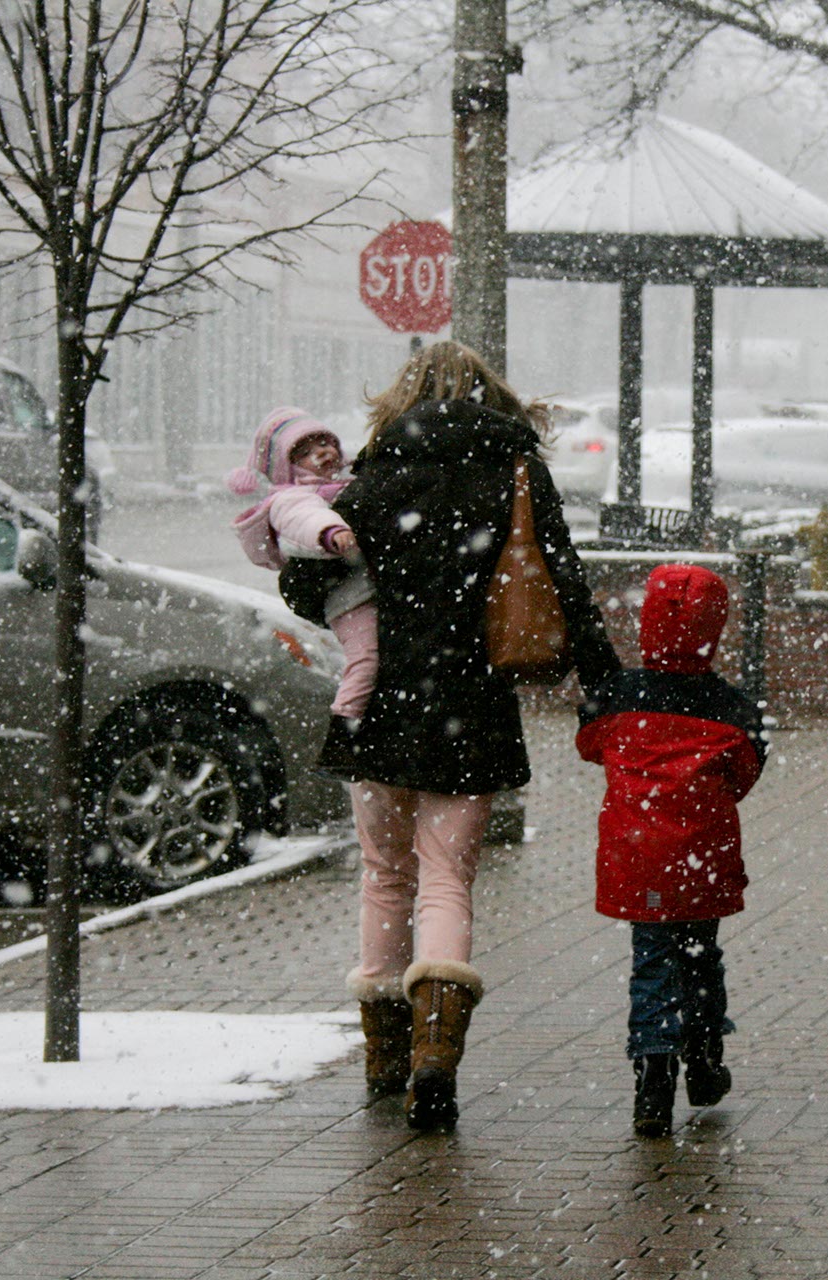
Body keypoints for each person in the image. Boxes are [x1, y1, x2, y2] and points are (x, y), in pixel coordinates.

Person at [322, 341, 620, 1130]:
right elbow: (563, 579)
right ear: (493, 397)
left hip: (380, 698)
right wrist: (608, 683)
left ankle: (384, 1059)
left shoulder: (377, 471)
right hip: (473, 700)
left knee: (385, 875)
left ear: (403, 397)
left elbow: (306, 577)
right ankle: (435, 1058)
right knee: (447, 877)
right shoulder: (516, 468)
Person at [576, 563, 768, 1137]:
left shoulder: (617, 698)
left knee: (651, 962)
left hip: (636, 859)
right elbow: (746, 772)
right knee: (700, 956)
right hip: (701, 859)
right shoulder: (730, 707)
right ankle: (705, 1059)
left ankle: (652, 1080)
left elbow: (589, 745)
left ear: (647, 623)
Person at [226, 408, 377, 720]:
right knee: (366, 658)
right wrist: (332, 533)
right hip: (346, 600)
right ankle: (344, 727)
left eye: (324, 442)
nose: (322, 452)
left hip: (364, 588)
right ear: (287, 468)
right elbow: (306, 518)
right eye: (306, 452)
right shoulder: (290, 497)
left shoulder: (349, 485)